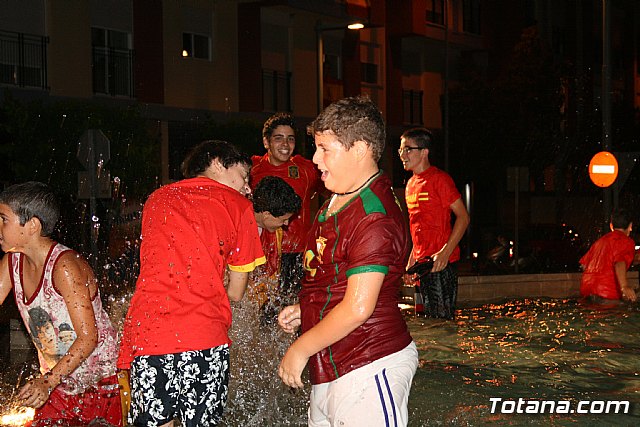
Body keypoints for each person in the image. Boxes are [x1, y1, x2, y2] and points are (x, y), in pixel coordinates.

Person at [277, 96, 418, 426]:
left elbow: (358, 307)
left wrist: (300, 349)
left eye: (325, 149)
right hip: (333, 362)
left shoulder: (374, 216)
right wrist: (308, 309)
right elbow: (336, 275)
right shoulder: (339, 198)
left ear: (360, 150)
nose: (315, 159)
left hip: (370, 364)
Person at [117, 140, 266, 427]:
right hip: (204, 335)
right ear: (218, 163)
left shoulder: (156, 199)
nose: (248, 188)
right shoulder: (239, 206)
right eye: (244, 176)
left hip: (149, 334)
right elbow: (236, 292)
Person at [0, 181, 121, 426]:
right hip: (58, 384)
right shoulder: (12, 261)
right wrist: (50, 382)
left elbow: (88, 338)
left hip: (99, 383)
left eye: (4, 219)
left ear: (32, 226)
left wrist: (47, 382)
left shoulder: (65, 266)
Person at [250, 112, 322, 307]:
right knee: (261, 310)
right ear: (266, 142)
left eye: (290, 139)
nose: (285, 144)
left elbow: (333, 187)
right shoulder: (252, 169)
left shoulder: (307, 169)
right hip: (261, 254)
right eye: (278, 138)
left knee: (292, 310)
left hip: (297, 254)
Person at [399, 127, 470, 320]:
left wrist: (444, 253)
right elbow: (417, 226)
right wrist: (411, 260)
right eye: (401, 150)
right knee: (426, 321)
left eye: (408, 149)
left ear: (424, 152)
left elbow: (463, 217)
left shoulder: (440, 180)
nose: (403, 155)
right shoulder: (410, 185)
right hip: (421, 266)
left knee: (442, 323)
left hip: (441, 265)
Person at [248, 176, 302, 317]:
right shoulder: (236, 227)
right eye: (284, 219)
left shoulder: (275, 233)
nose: (286, 224)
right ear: (266, 214)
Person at [580, 208, 637, 303]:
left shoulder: (599, 242)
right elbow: (620, 262)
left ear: (611, 226)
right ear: (630, 226)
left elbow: (584, 265)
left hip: (587, 290)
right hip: (607, 293)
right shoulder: (627, 241)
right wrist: (624, 287)